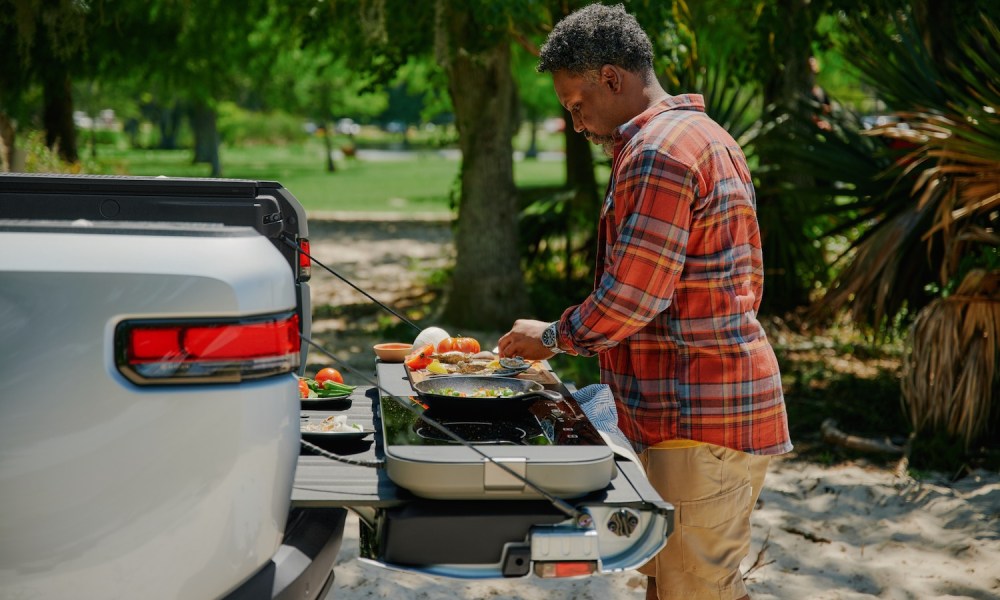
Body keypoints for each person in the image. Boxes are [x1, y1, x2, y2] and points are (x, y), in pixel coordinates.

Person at [496, 4, 792, 600]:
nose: (576, 125)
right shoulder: (701, 136)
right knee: (669, 585)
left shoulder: (659, 151)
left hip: (700, 416)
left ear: (611, 78)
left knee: (695, 591)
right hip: (691, 415)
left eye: (577, 105)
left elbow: (634, 297)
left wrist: (552, 336)